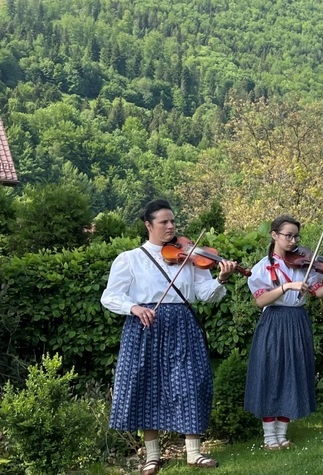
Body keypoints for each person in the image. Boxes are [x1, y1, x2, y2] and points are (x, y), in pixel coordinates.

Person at [101, 199, 238, 475]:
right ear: (148, 225)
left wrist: (221, 280)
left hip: (183, 326)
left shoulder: (189, 258)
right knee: (146, 387)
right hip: (145, 326)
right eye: (164, 222)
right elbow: (110, 296)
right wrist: (134, 307)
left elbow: (204, 294)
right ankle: (153, 457)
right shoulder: (129, 259)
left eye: (173, 221)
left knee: (191, 384)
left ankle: (194, 453)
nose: (171, 226)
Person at [244, 215, 323, 450]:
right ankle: (268, 437)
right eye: (288, 236)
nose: (293, 241)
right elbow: (261, 300)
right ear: (274, 235)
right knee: (270, 374)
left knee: (292, 373)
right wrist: (286, 286)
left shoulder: (305, 264)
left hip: (297, 321)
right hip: (274, 321)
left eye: (296, 236)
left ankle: (282, 435)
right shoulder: (262, 268)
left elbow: (317, 293)